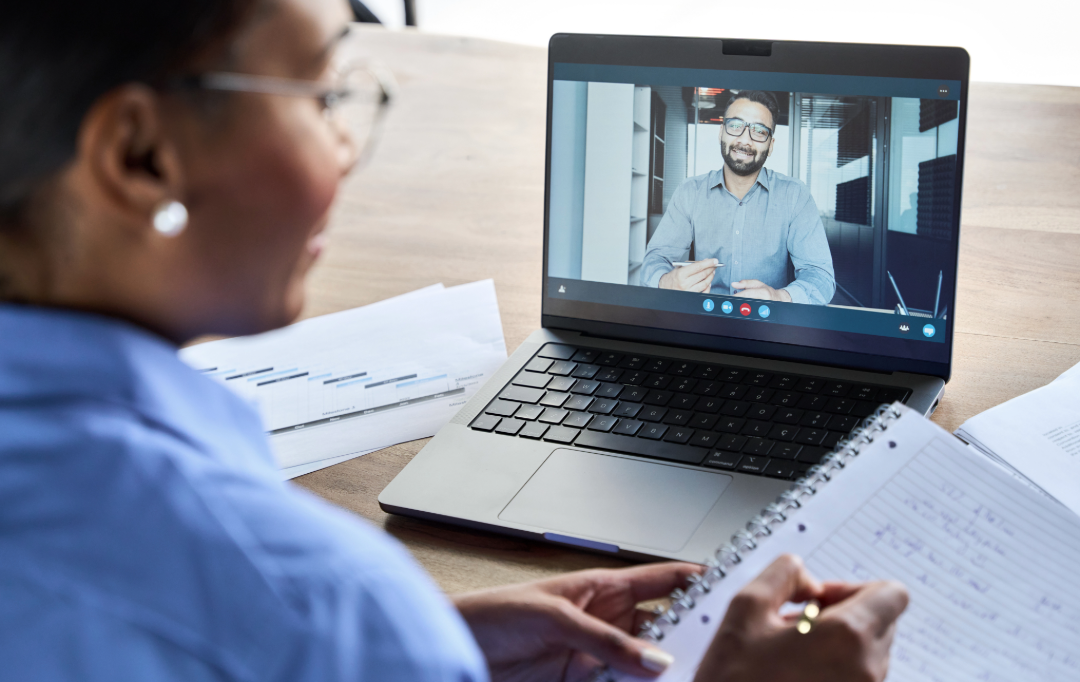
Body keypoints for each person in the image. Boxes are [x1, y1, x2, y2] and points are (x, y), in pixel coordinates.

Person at [0, 1, 908, 680]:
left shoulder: (323, 615)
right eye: (322, 91)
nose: (347, 144)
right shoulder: (322, 603)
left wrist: (429, 648)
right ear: (139, 156)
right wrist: (387, 642)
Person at [641, 90, 837, 305]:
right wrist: (666, 281)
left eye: (759, 131)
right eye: (735, 126)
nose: (745, 139)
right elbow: (656, 258)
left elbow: (820, 276)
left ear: (770, 145)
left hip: (767, 325)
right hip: (701, 321)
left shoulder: (795, 195)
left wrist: (779, 296)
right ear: (721, 133)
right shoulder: (690, 192)